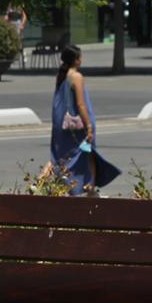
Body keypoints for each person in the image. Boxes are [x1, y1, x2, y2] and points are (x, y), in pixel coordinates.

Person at [51, 45, 121, 196]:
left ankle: (39, 181)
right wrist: (89, 126)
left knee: (60, 157)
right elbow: (81, 104)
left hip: (63, 124)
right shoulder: (76, 77)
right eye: (79, 57)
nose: (81, 60)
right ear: (75, 60)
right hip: (78, 126)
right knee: (89, 154)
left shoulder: (61, 75)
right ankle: (90, 188)